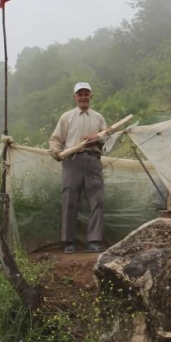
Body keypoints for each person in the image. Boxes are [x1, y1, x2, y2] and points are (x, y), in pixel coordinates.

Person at [49, 82, 107, 254]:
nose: (83, 97)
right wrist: (56, 152)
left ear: (91, 96)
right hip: (72, 161)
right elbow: (55, 140)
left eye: (86, 94)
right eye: (80, 94)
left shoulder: (98, 118)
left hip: (93, 161)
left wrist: (96, 139)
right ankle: (68, 242)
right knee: (70, 200)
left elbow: (107, 139)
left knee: (96, 200)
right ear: (74, 97)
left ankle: (94, 241)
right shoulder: (66, 117)